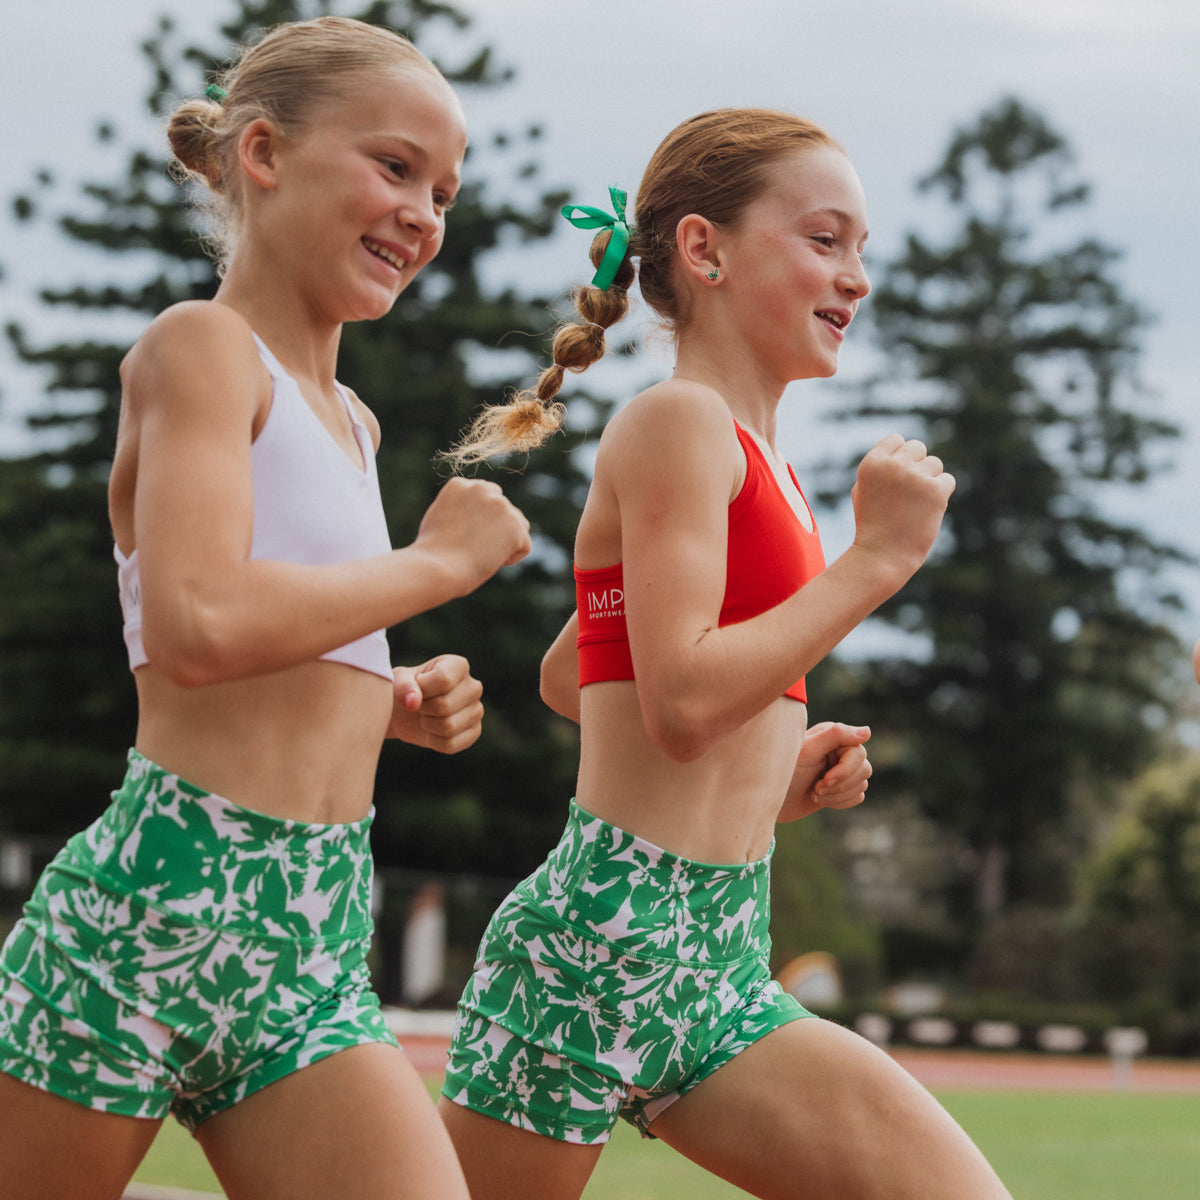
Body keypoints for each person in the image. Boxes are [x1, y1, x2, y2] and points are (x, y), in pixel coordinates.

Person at [435, 108, 1011, 1199]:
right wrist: (876, 560)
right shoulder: (678, 426)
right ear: (705, 251)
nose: (858, 277)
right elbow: (683, 703)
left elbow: (581, 677)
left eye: (863, 250)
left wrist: (764, 786)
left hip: (713, 963)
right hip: (594, 948)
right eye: (826, 240)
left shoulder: (762, 461)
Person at [0, 17, 530, 1200]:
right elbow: (193, 625)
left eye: (442, 191)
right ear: (263, 154)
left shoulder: (355, 422)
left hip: (312, 938)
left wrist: (383, 697)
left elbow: (276, 626)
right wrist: (436, 568)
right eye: (394, 167)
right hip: (151, 914)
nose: (423, 214)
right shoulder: (200, 350)